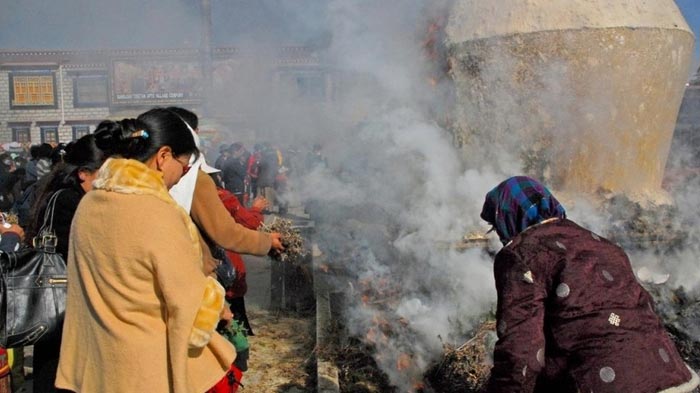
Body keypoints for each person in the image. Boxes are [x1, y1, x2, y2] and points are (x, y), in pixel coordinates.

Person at [56, 108, 236, 393]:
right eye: (185, 165)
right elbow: (188, 309)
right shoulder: (158, 212)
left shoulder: (89, 205)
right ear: (163, 156)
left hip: (101, 363)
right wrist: (216, 303)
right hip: (147, 369)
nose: (182, 175)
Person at [480, 176, 699, 393]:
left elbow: (521, 351)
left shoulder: (521, 253)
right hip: (673, 377)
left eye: (495, 225)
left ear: (507, 216)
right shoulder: (605, 246)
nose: (498, 234)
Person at [26, 134, 107, 393]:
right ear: (84, 173)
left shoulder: (59, 194)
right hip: (62, 297)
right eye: (102, 174)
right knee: (57, 368)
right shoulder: (68, 200)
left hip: (55, 298)